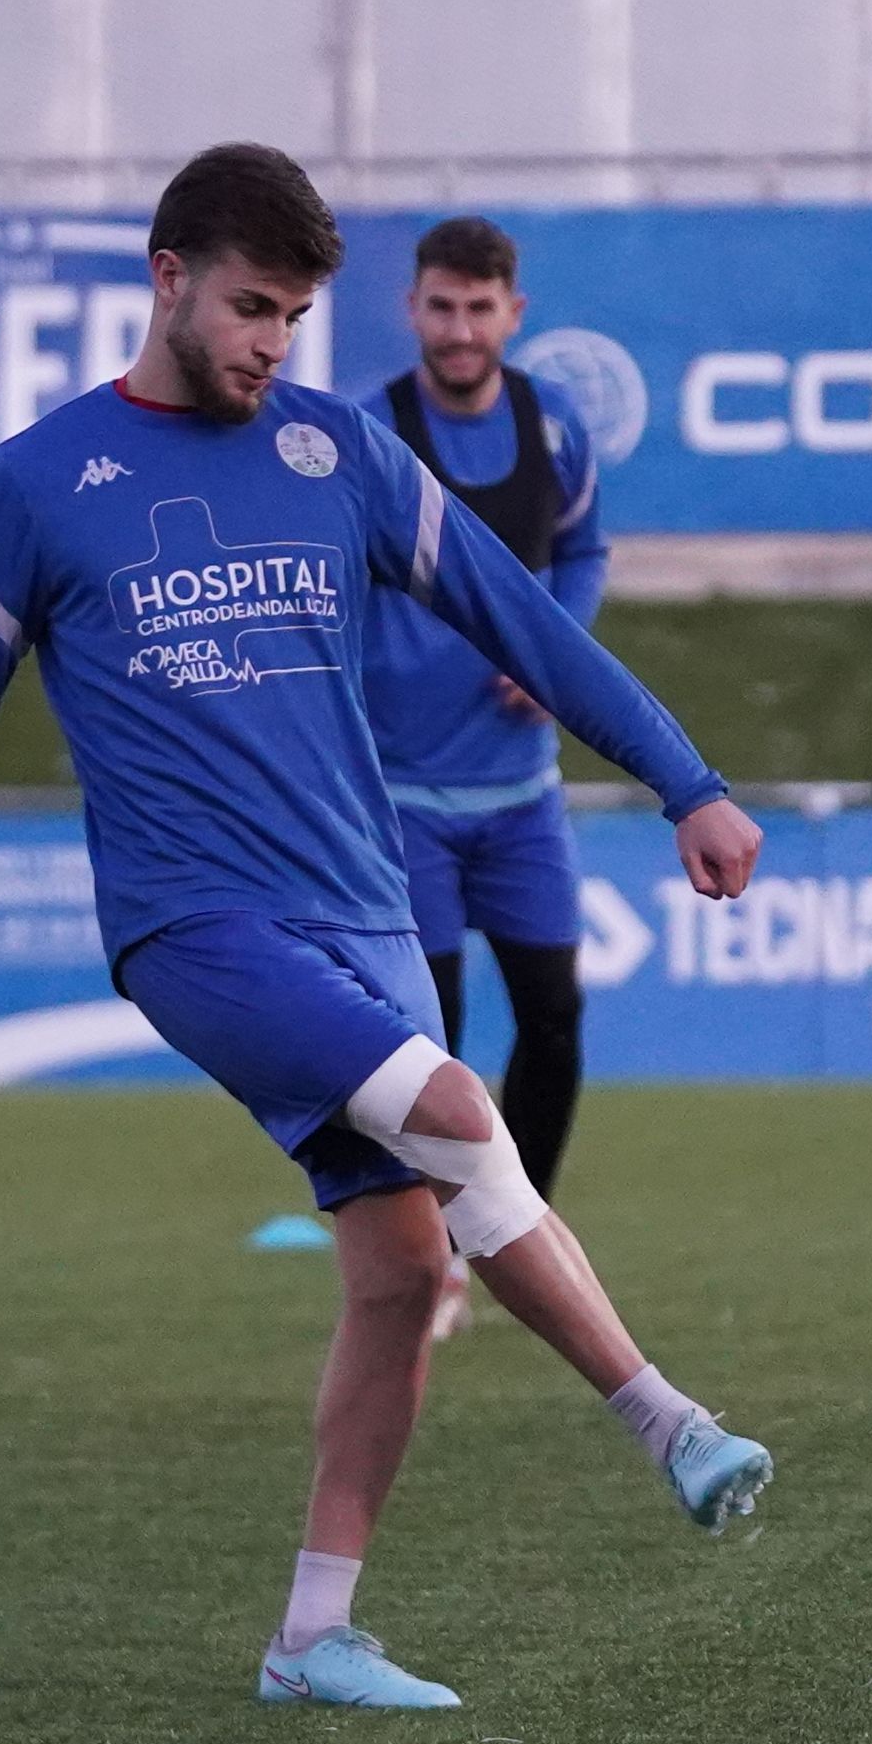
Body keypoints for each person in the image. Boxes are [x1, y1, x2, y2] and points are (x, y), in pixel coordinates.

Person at [0, 142, 774, 1713]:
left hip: (363, 911)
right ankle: (670, 1421)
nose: (270, 345)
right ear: (166, 278)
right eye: (250, 309)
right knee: (464, 1114)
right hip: (197, 927)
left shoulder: (342, 455)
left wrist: (683, 780)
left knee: (396, 1272)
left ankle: (313, 1637)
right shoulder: (41, 485)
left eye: (296, 322)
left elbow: (522, 619)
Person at [361, 216, 602, 1340]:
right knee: (434, 1044)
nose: (460, 329)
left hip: (521, 797)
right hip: (403, 799)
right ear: (413, 309)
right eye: (441, 306)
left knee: (554, 1015)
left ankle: (515, 1230)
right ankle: (438, 1261)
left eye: (481, 307)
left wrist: (554, 641)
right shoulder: (367, 433)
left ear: (516, 313)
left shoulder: (557, 430)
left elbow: (585, 552)